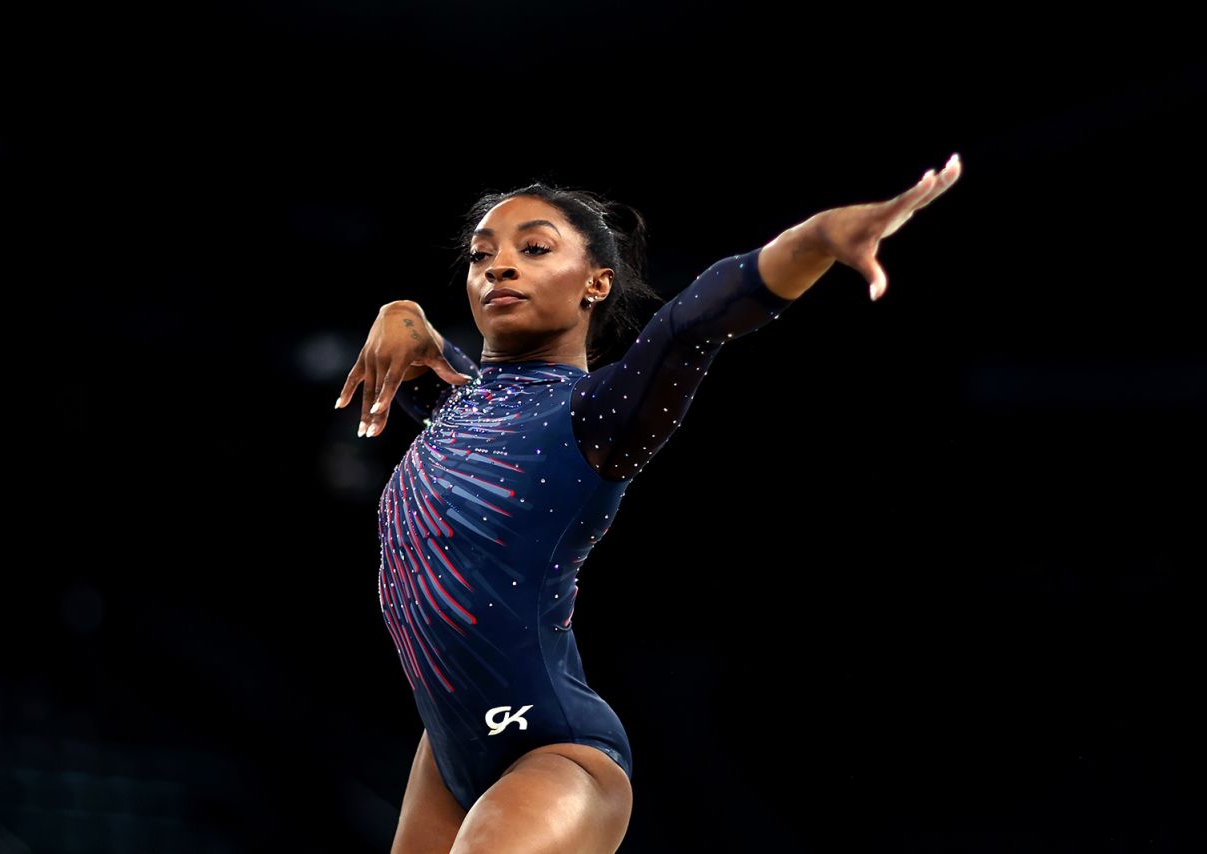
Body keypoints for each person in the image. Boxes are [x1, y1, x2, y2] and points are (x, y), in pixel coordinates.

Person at [335, 154, 962, 853]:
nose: (499, 267)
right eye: (483, 255)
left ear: (596, 283)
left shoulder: (599, 416)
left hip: (556, 753)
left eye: (534, 249)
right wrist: (403, 311)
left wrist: (816, 238)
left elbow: (693, 323)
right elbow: (453, 394)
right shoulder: (460, 405)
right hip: (448, 755)